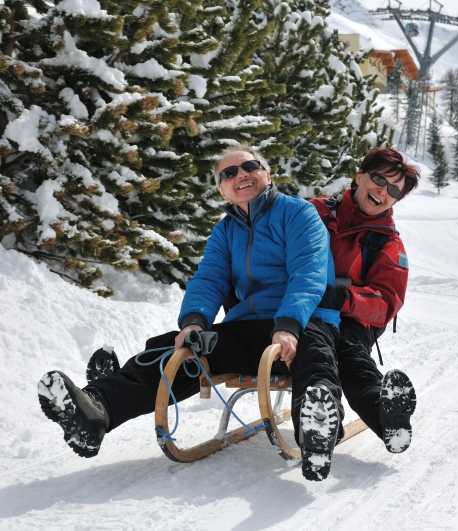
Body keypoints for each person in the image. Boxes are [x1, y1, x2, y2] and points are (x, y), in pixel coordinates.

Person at [37, 146, 344, 481]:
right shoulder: (225, 231)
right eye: (229, 173)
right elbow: (209, 279)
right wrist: (195, 321)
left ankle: (315, 433)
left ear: (266, 174)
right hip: (245, 328)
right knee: (174, 350)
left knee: (314, 354)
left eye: (249, 166)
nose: (240, 175)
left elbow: (308, 274)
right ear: (222, 190)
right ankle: (98, 410)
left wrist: (288, 326)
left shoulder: (298, 214)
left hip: (301, 322)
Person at [311, 147, 419, 454]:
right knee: (318, 348)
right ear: (359, 176)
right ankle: (323, 415)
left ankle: (386, 415)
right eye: (379, 180)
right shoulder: (315, 212)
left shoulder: (387, 242)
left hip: (352, 319)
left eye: (394, 191)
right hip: (303, 309)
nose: (383, 192)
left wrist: (345, 299)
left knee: (348, 354)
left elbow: (387, 301)